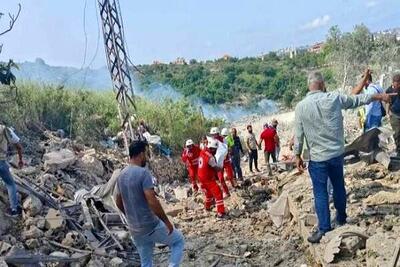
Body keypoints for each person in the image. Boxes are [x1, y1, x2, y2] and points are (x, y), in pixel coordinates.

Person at [294, 71, 393, 244]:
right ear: (323, 84)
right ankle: (341, 218)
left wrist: (297, 155)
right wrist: (379, 96)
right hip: (335, 154)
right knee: (339, 186)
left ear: (309, 86)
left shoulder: (301, 106)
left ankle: (324, 228)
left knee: (320, 193)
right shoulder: (334, 98)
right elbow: (358, 100)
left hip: (317, 158)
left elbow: (299, 135)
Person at [116, 140, 185, 267]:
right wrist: (167, 222)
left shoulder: (121, 175)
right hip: (150, 225)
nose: (147, 158)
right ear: (141, 154)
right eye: (146, 154)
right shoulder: (143, 173)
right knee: (178, 241)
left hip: (135, 229)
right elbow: (152, 201)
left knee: (146, 262)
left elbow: (118, 201)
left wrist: (131, 216)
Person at [197, 139, 227, 218]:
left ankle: (207, 207)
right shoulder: (211, 158)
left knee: (209, 193)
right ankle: (221, 212)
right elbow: (216, 169)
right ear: (213, 149)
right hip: (207, 178)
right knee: (218, 193)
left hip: (200, 177)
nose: (216, 151)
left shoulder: (203, 151)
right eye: (215, 150)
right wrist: (221, 165)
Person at [0, 124, 23, 217]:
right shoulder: (5, 129)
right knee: (10, 184)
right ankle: (14, 210)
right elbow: (19, 147)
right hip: (1, 162)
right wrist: (21, 160)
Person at [209, 127, 231, 196]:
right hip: (218, 162)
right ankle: (226, 191)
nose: (214, 136)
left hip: (225, 160)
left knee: (230, 176)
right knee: (221, 178)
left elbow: (226, 149)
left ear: (218, 133)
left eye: (215, 134)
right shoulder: (211, 142)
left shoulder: (223, 140)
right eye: (213, 134)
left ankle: (234, 184)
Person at [386, 73, 400, 155]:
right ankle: (398, 150)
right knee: (397, 134)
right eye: (397, 83)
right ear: (394, 82)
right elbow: (386, 102)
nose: (398, 85)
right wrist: (388, 112)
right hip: (394, 115)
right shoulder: (389, 90)